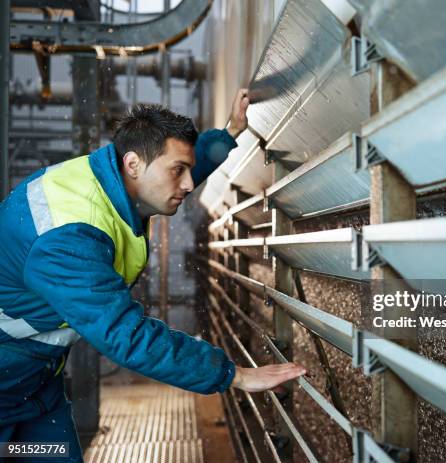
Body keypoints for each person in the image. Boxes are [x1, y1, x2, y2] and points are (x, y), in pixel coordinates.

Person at [0, 89, 306, 461]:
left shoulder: (113, 181)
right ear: (133, 164)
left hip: (33, 385)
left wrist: (229, 133)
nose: (189, 184)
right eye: (179, 171)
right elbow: (126, 336)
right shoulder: (68, 238)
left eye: (187, 170)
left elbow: (171, 172)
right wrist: (233, 375)